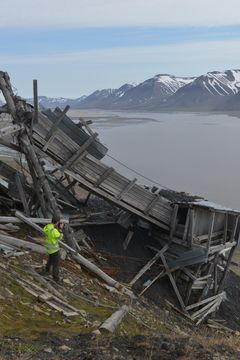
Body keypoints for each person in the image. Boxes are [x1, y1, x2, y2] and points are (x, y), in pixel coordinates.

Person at [43, 216, 64, 283]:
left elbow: (49, 234)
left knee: (50, 260)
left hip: (49, 249)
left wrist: (55, 227)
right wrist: (60, 228)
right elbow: (60, 237)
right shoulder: (54, 231)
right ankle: (56, 278)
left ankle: (47, 270)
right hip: (55, 250)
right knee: (56, 265)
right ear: (57, 222)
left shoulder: (46, 227)